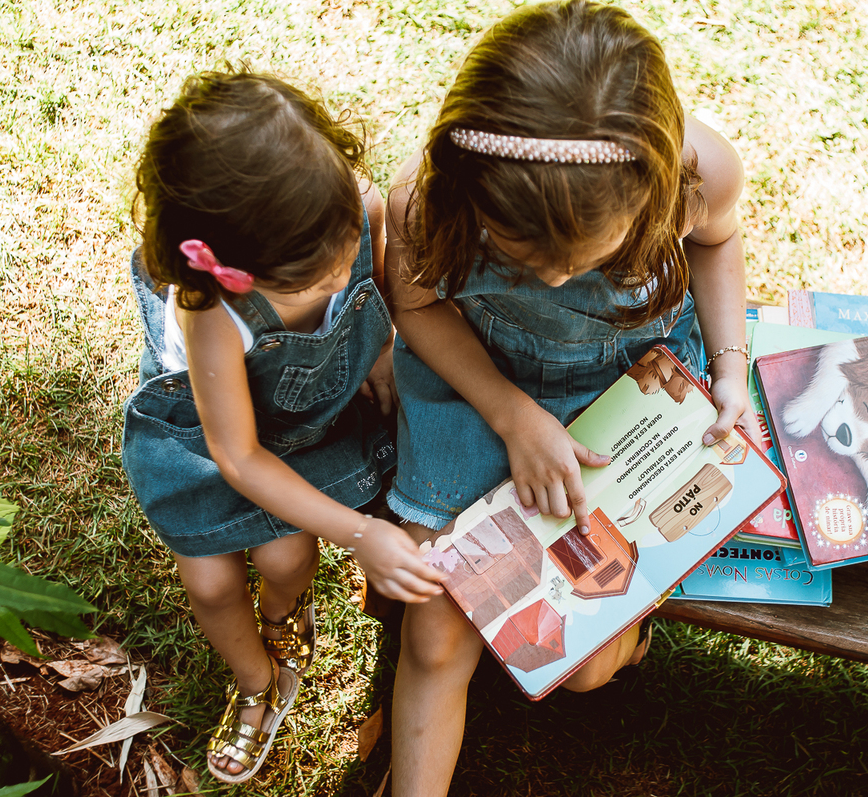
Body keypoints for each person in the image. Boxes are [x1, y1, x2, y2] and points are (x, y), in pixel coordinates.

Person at [382, 2, 761, 794]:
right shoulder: (426, 199)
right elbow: (416, 309)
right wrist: (511, 414)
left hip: (626, 387)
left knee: (584, 665)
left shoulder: (699, 177)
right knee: (435, 629)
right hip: (479, 384)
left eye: (586, 258)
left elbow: (719, 242)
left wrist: (730, 368)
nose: (555, 277)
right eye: (522, 256)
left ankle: (628, 632)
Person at [120, 69, 441, 784]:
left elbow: (371, 284)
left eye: (343, 249)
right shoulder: (211, 313)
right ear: (236, 273)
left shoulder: (349, 205)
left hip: (309, 418)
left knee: (287, 560)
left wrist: (378, 349)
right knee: (211, 584)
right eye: (308, 280)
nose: (338, 276)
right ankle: (255, 680)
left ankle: (283, 619)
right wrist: (360, 533)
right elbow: (236, 456)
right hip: (211, 436)